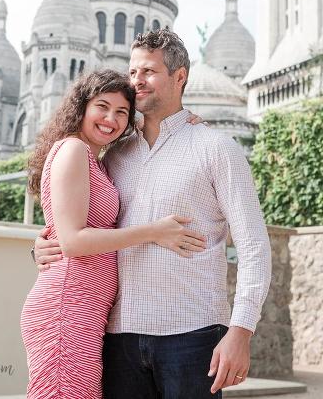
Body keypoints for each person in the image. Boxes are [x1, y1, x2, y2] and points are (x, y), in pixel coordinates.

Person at [34, 29, 271, 399]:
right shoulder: (113, 154)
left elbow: (254, 246)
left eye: (148, 72)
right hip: (118, 338)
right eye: (132, 72)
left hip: (192, 336)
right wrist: (43, 243)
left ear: (180, 77)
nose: (136, 82)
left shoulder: (216, 148)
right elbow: (80, 219)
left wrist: (241, 330)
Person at [20, 69, 207, 399]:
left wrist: (181, 120)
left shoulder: (94, 156)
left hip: (86, 310)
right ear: (82, 107)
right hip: (67, 308)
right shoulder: (74, 151)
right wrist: (153, 232)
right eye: (102, 107)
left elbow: (69, 225)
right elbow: (74, 241)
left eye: (122, 112)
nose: (110, 119)